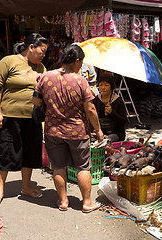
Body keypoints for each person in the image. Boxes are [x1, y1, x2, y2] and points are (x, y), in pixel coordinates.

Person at [33, 44, 104, 212]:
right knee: (83, 167)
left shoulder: (45, 77)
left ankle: (63, 201)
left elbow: (36, 102)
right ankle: (87, 203)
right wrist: (98, 130)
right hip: (77, 132)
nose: (81, 66)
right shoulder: (80, 81)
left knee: (58, 166)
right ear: (77, 60)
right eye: (81, 62)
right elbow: (91, 109)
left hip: (53, 131)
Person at [0, 33, 48, 207]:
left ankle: (26, 187)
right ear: (31, 48)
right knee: (5, 152)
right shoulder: (9, 61)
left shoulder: (41, 67)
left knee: (30, 152)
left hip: (32, 118)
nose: (44, 55)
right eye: (42, 51)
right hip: (10, 117)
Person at [93, 72, 128, 142]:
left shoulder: (118, 100)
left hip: (115, 133)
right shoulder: (96, 100)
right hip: (100, 132)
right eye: (101, 85)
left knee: (105, 141)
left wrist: (112, 113)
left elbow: (124, 121)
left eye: (106, 85)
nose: (103, 88)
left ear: (111, 87)